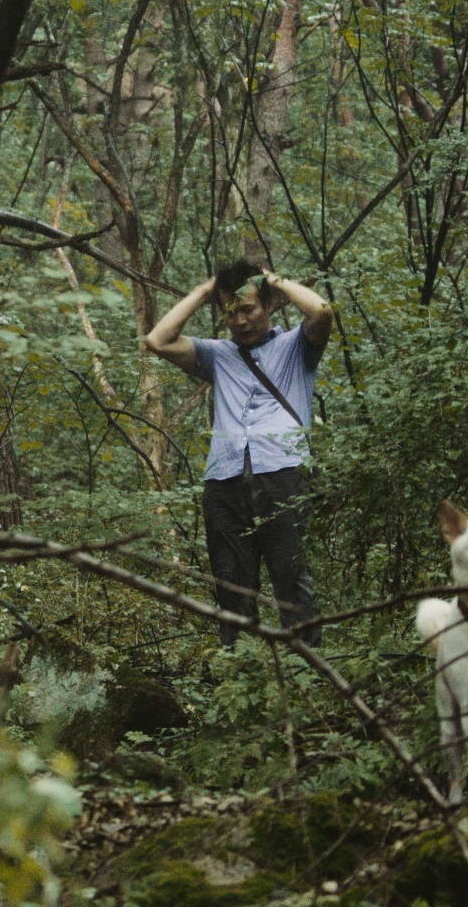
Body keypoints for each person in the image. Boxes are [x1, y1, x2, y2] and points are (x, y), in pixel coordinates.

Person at [145, 260, 333, 646]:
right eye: (230, 312)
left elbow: (321, 311)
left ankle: (306, 673)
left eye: (248, 308)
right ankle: (237, 672)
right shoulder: (217, 355)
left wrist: (274, 279)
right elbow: (157, 341)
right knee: (230, 583)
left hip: (283, 473)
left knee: (290, 579)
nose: (239, 320)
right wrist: (204, 291)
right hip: (224, 479)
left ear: (269, 304)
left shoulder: (296, 346)